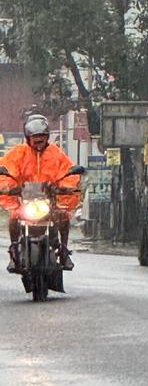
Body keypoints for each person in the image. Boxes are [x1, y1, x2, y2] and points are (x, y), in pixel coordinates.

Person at [1, 114, 81, 273]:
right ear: (28, 137)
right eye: (35, 137)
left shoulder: (56, 154)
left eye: (42, 136)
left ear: (47, 137)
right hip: (26, 201)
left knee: (63, 216)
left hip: (49, 201)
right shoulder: (18, 153)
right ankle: (14, 251)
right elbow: (7, 172)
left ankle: (64, 250)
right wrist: (9, 187)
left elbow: (67, 173)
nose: (39, 140)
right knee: (14, 217)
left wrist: (65, 187)